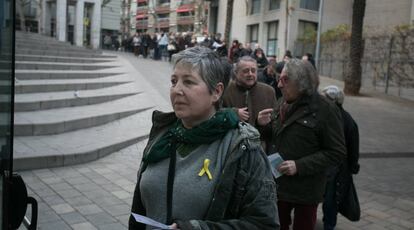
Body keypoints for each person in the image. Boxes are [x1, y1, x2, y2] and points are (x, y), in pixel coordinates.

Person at [129, 46, 280, 230]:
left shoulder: (243, 147)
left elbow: (264, 224)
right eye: (174, 81)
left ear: (216, 92)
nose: (177, 90)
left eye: (189, 82)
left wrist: (198, 228)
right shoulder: (163, 134)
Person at [257, 59, 346, 230]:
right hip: (277, 186)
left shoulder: (326, 109)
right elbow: (273, 136)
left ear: (302, 83)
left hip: (306, 190)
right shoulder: (283, 101)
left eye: (285, 79)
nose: (279, 84)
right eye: (279, 78)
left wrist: (299, 166)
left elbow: (337, 152)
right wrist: (261, 124)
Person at [321, 85, 360, 230]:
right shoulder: (322, 115)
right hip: (322, 164)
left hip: (337, 168)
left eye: (324, 99)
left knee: (331, 200)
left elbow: (353, 146)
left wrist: (352, 167)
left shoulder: (347, 120)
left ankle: (329, 226)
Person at [223, 56, 277, 152]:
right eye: (245, 71)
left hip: (260, 150)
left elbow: (275, 124)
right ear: (236, 73)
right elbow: (214, 116)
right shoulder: (225, 91)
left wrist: (262, 124)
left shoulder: (268, 91)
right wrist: (232, 113)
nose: (250, 74)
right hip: (231, 149)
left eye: (253, 70)